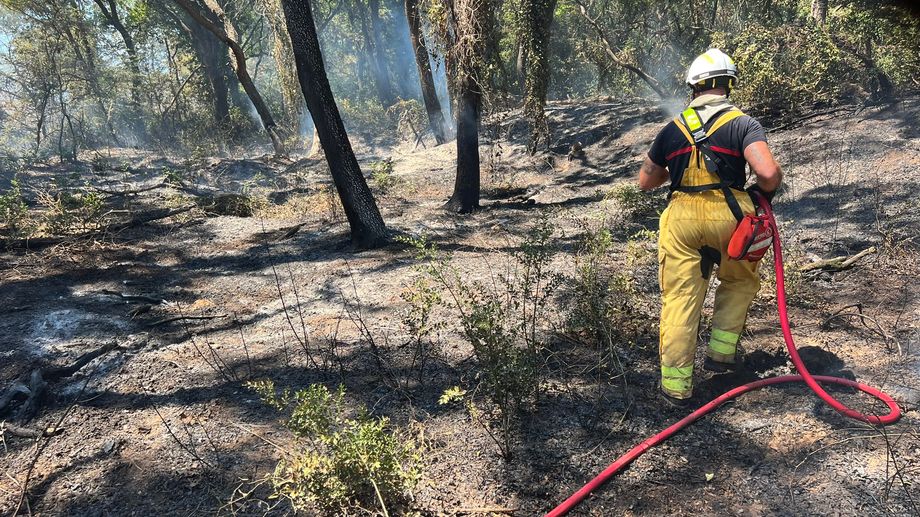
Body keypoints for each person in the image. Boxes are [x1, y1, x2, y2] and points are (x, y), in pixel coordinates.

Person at [637, 48, 782, 406]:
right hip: (733, 218)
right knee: (738, 280)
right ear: (728, 85)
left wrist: (682, 170)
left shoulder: (672, 129)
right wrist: (760, 194)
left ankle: (675, 387)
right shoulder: (744, 124)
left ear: (694, 87)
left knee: (680, 300)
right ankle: (720, 356)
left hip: (681, 221)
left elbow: (646, 181)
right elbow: (767, 173)